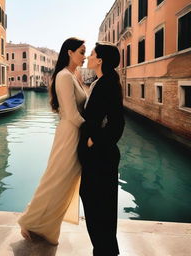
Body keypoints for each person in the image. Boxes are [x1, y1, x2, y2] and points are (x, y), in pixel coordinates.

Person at [18, 37, 87, 245]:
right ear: (70, 52)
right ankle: (31, 222)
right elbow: (72, 114)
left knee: (62, 183)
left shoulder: (73, 75)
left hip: (74, 133)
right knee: (56, 180)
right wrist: (95, 132)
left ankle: (44, 225)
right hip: (70, 134)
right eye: (82, 52)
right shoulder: (64, 76)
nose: (84, 56)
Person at [77, 42, 125, 256]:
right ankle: (104, 249)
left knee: (99, 205)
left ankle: (105, 251)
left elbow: (117, 123)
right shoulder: (101, 82)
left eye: (93, 54)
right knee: (94, 201)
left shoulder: (108, 84)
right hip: (98, 155)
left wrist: (93, 140)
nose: (88, 56)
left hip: (101, 155)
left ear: (101, 60)